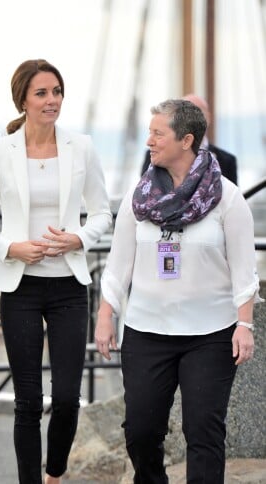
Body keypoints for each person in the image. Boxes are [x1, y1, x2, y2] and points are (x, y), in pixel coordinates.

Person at [95, 99, 261, 483]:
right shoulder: (138, 198)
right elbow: (118, 265)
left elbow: (243, 269)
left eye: (158, 133)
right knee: (140, 432)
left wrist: (244, 325)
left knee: (203, 431)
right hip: (146, 330)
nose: (149, 141)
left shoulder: (227, 198)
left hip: (211, 334)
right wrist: (106, 314)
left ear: (186, 140)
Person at [0, 59, 112, 484]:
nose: (52, 101)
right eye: (42, 93)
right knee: (28, 401)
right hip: (20, 289)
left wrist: (79, 239)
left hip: (69, 285)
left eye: (57, 92)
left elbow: (103, 212)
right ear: (23, 100)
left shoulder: (81, 146)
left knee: (67, 398)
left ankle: (55, 473)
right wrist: (11, 247)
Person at [140, 94, 238, 184]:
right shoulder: (153, 155)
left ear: (208, 117)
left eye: (197, 112)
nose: (191, 118)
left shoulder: (227, 162)